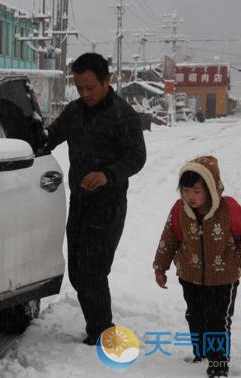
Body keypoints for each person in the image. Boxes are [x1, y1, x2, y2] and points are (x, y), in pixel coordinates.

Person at [44, 53, 147, 345]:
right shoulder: (75, 112)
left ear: (107, 81)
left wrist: (107, 174)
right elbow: (50, 137)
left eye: (90, 87)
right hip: (79, 202)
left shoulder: (123, 115)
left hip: (108, 205)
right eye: (79, 88)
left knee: (93, 269)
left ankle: (101, 331)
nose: (85, 94)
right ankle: (99, 325)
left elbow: (137, 157)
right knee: (77, 270)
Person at [153, 156, 241, 378]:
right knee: (195, 315)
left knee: (218, 320)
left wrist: (237, 261)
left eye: (197, 191)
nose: (191, 197)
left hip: (223, 278)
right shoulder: (179, 210)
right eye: (186, 190)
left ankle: (218, 363)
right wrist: (160, 267)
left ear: (211, 189)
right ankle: (200, 353)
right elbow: (169, 238)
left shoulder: (229, 209)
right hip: (190, 276)